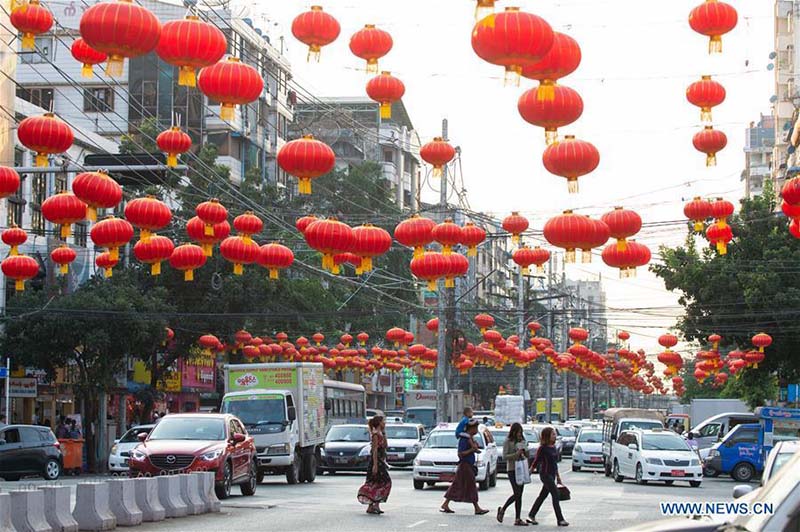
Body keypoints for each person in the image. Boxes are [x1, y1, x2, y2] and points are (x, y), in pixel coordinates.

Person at [440, 419, 489, 515]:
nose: (476, 430)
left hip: (468, 465)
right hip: (465, 465)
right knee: (471, 486)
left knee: (458, 485)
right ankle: (477, 508)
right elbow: (460, 454)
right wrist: (472, 450)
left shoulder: (469, 438)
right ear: (471, 428)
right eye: (475, 428)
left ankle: (445, 504)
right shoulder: (464, 439)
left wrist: (474, 448)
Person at [528, 426, 568, 527]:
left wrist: (558, 477)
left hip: (552, 474)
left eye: (555, 434)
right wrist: (530, 470)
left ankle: (531, 515)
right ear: (547, 436)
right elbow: (536, 460)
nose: (555, 436)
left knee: (543, 495)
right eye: (553, 434)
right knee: (555, 495)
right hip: (545, 474)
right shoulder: (542, 448)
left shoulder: (553, 447)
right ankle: (560, 519)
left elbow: (554, 463)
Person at [357, 416, 391, 515]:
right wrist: (375, 465)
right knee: (382, 482)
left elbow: (385, 446)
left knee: (378, 483)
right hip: (376, 462)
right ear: (379, 422)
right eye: (383, 421)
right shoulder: (375, 435)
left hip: (381, 462)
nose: (384, 423)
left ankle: (373, 506)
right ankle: (373, 504)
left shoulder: (381, 434)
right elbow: (375, 451)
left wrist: (384, 434)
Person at [497, 422, 529, 526]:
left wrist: (525, 450)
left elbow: (527, 454)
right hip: (512, 469)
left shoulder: (522, 441)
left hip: (522, 468)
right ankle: (503, 509)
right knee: (517, 493)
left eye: (521, 432)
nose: (519, 434)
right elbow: (505, 456)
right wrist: (516, 454)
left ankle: (518, 518)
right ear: (514, 432)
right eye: (518, 432)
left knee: (520, 494)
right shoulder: (508, 441)